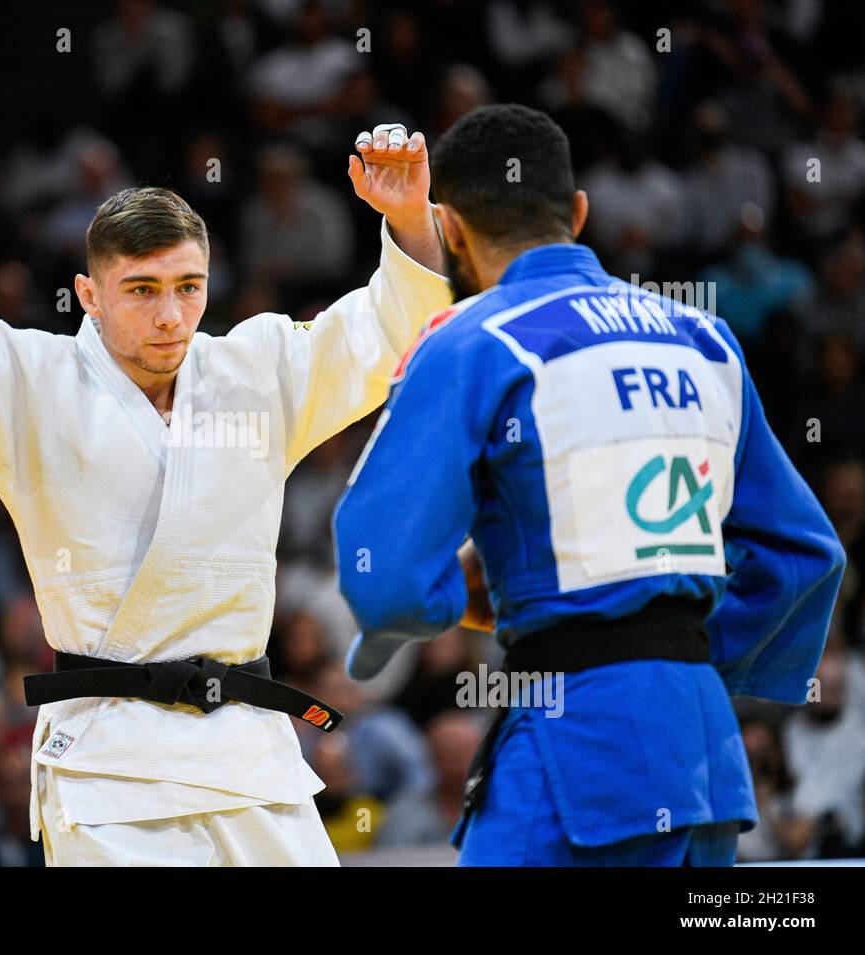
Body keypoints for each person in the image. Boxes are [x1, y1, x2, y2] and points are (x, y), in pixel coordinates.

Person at [0, 86, 451, 866]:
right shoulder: (29, 382)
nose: (170, 316)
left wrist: (411, 217)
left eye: (188, 288)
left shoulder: (260, 368)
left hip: (251, 760)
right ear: (88, 294)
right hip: (108, 770)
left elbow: (390, 329)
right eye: (142, 291)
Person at [333, 104, 846, 866]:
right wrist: (679, 655)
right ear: (577, 212)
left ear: (450, 230)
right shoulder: (704, 339)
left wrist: (466, 603)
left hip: (577, 752)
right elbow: (807, 556)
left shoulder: (474, 339)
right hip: (705, 756)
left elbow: (389, 583)